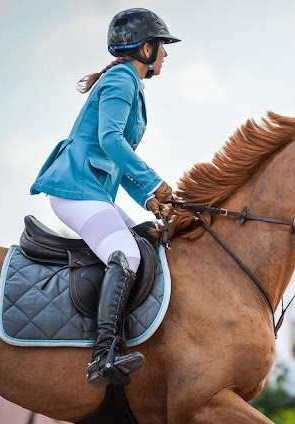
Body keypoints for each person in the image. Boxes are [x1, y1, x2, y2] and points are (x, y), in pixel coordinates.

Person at [30, 8, 179, 387]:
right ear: (146, 48)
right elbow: (110, 140)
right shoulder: (123, 80)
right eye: (162, 46)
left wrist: (148, 199)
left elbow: (116, 158)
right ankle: (103, 355)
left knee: (143, 237)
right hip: (75, 189)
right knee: (126, 254)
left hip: (94, 190)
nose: (166, 54)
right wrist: (156, 182)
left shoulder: (130, 82)